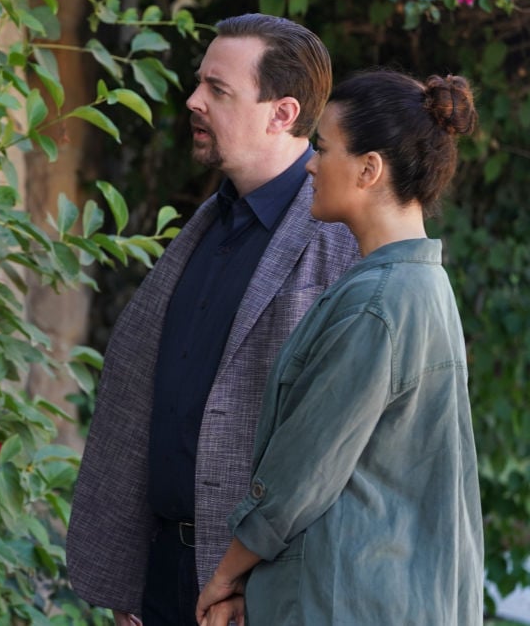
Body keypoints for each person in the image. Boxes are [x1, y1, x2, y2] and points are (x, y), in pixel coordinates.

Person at [66, 13, 360, 625]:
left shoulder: (341, 240)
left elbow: (341, 451)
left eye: (218, 90)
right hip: (164, 580)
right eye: (201, 82)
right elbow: (149, 396)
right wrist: (131, 581)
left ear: (282, 112)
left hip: (263, 597)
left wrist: (269, 592)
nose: (194, 100)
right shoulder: (209, 224)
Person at [194, 69, 484, 626]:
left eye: (322, 149)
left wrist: (226, 575)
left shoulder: (378, 302)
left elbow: (299, 477)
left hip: (342, 599)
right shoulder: (421, 285)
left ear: (369, 169)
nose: (308, 164)